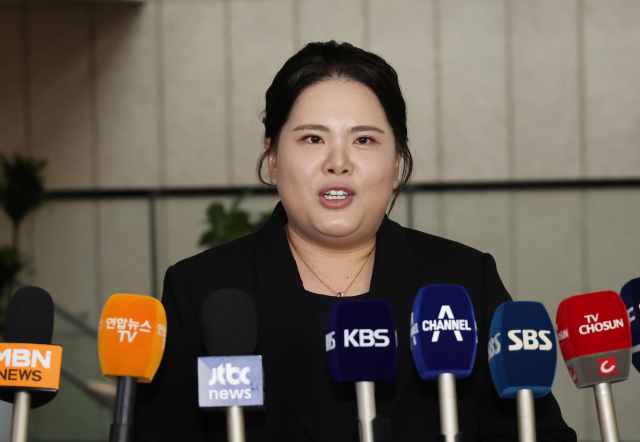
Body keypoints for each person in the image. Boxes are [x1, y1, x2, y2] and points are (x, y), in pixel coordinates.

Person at [134, 41, 576, 442]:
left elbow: (539, 432)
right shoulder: (202, 291)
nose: (338, 163)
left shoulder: (462, 281)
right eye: (312, 138)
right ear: (273, 158)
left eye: (363, 139)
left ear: (397, 162)